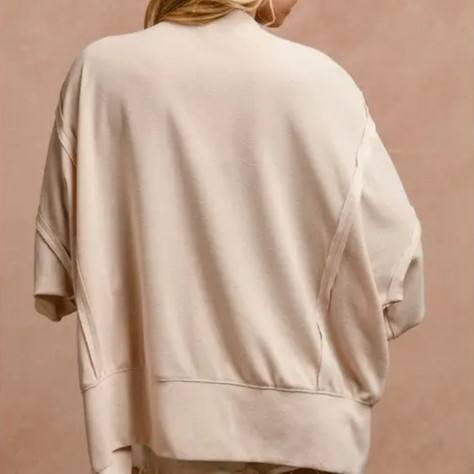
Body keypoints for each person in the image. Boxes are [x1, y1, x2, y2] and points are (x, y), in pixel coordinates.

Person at [32, 1, 426, 474]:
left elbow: (58, 270)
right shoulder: (322, 82)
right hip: (308, 439)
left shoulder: (100, 74)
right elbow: (400, 284)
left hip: (158, 436)